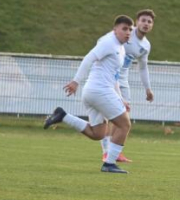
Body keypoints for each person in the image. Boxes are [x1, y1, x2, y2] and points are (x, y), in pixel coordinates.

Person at [44, 15, 134, 174]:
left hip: (93, 92)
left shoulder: (120, 47)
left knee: (97, 133)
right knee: (124, 124)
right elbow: (89, 58)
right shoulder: (109, 42)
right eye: (124, 29)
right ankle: (109, 164)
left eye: (130, 30)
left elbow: (114, 77)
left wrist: (120, 99)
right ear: (115, 30)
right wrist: (75, 81)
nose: (128, 32)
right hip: (100, 91)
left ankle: (63, 116)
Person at [101, 9, 156, 164]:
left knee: (123, 117)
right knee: (108, 116)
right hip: (109, 78)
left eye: (149, 22)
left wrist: (148, 88)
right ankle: (106, 153)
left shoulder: (145, 45)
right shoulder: (124, 34)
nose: (146, 24)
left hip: (123, 81)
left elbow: (143, 67)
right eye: (143, 20)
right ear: (136, 21)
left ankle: (115, 152)